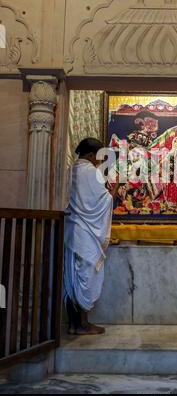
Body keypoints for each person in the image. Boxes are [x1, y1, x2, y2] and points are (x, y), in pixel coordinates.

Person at [64, 137, 119, 335]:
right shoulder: (93, 173)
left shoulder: (69, 171)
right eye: (98, 157)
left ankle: (72, 324)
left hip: (70, 233)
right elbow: (104, 202)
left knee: (70, 278)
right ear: (90, 155)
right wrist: (117, 187)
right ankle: (84, 325)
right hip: (86, 236)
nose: (99, 161)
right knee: (86, 277)